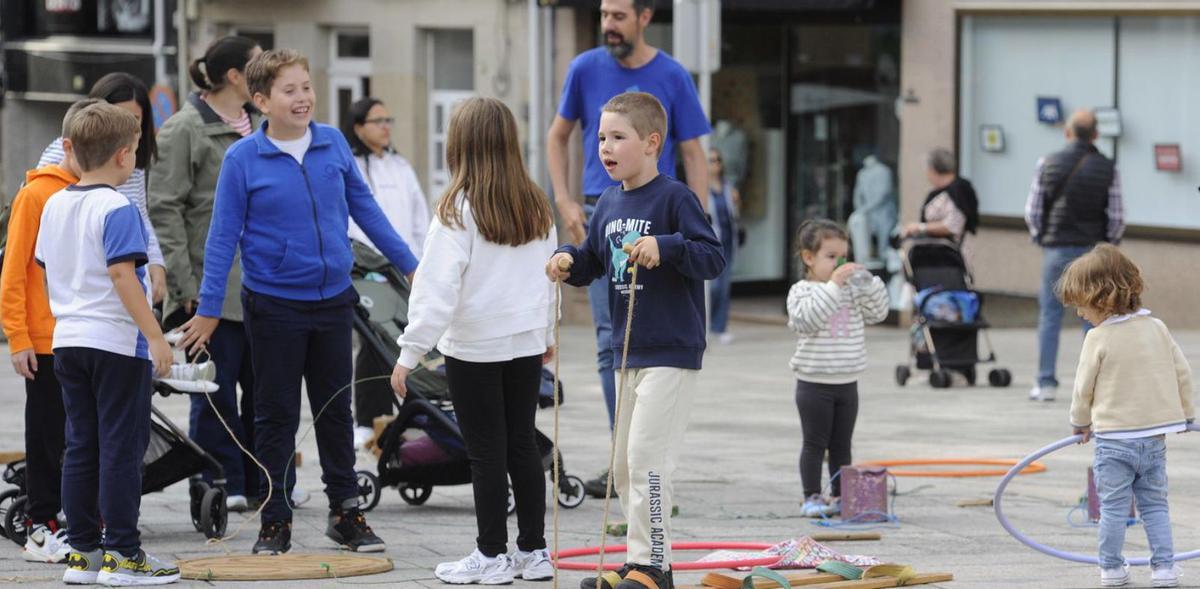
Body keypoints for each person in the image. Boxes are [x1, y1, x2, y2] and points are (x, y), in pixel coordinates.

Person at [177, 49, 418, 555]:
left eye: (306, 86)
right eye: (289, 90)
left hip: (333, 301)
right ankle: (275, 518)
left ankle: (346, 513)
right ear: (261, 100)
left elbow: (366, 212)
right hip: (273, 305)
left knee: (335, 412)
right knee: (276, 415)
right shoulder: (243, 158)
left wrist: (411, 267)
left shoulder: (331, 144)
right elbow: (222, 238)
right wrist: (209, 309)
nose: (303, 98)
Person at [546, 92, 724, 589]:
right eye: (600, 137)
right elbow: (594, 261)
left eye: (617, 137)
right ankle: (637, 559)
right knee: (625, 464)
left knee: (649, 459)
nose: (605, 146)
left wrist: (664, 247)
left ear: (652, 143)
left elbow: (712, 257)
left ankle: (656, 569)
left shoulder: (675, 197)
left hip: (671, 350)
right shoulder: (607, 202)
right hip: (629, 352)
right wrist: (567, 260)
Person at [546, 0, 712, 496]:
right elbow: (559, 137)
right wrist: (564, 203)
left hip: (661, 212)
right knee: (607, 337)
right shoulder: (584, 67)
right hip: (603, 209)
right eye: (603, 14)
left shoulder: (673, 74)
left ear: (644, 17)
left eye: (618, 15)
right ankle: (624, 445)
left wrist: (688, 226)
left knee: (649, 327)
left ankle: (641, 454)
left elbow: (692, 152)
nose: (608, 25)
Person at [390, 97, 557, 585]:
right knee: (522, 446)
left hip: (475, 346)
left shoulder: (456, 210)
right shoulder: (535, 204)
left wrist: (409, 352)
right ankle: (534, 552)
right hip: (525, 341)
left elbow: (434, 291)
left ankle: (491, 555)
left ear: (460, 145)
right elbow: (549, 277)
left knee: (486, 452)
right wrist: (545, 333)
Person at [36, 102, 178, 585]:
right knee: (120, 448)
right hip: (115, 342)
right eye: (136, 151)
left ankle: (82, 554)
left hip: (68, 340)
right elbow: (122, 274)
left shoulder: (56, 202)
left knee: (81, 445)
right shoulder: (118, 207)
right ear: (123, 156)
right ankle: (123, 554)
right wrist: (156, 336)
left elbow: (47, 268)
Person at [148, 35, 287, 514]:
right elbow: (164, 210)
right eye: (257, 67)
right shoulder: (184, 129)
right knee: (215, 392)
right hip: (212, 291)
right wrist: (185, 290)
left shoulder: (264, 126)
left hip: (266, 286)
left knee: (267, 394)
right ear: (235, 77)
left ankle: (263, 480)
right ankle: (218, 478)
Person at [0, 98, 100, 564]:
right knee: (46, 438)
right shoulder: (36, 195)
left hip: (82, 336)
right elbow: (13, 271)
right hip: (43, 343)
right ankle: (40, 526)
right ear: (67, 146)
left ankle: (74, 518)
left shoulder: (94, 194)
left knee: (80, 437)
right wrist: (18, 337)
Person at [1060, 244, 1193, 589]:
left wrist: (1079, 422)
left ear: (1101, 297)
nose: (1079, 314)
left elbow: (1082, 388)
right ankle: (1164, 570)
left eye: (1081, 305)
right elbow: (1182, 372)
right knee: (1155, 506)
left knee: (1114, 509)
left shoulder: (1097, 338)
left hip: (1113, 441)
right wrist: (1187, 415)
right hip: (1153, 440)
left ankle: (1112, 569)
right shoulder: (1157, 328)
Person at [342, 96, 431, 447]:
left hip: (405, 270)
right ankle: (366, 419)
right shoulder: (351, 165)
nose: (385, 126)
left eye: (388, 119)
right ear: (359, 126)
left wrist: (421, 264)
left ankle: (411, 414)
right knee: (373, 339)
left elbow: (419, 218)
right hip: (367, 269)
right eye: (377, 120)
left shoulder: (400, 166)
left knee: (407, 340)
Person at [786, 220, 889, 518]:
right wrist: (833, 286)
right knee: (815, 443)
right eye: (831, 257)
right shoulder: (801, 291)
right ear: (808, 257)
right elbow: (809, 319)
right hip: (813, 382)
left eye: (843, 256)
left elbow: (879, 312)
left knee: (842, 445)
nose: (839, 264)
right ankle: (811, 496)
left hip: (848, 379)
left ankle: (842, 495)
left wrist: (869, 283)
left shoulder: (851, 291)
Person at [37, 72, 167, 305]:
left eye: (135, 119)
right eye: (117, 116)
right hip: (84, 290)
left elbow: (140, 213)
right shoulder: (64, 154)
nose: (127, 126)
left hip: (124, 286)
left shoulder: (132, 157)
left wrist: (156, 262)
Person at [1024, 109, 1124, 403]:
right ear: (1095, 135)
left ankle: (1045, 383)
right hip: (1092, 250)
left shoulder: (1047, 162)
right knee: (1093, 317)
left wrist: (1041, 237)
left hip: (1056, 248)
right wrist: (1109, 245)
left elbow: (1033, 210)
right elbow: (1117, 215)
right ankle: (1092, 387)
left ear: (1067, 133)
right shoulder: (1108, 167)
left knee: (1049, 315)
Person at [899, 148, 978, 267]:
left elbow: (953, 226)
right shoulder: (944, 191)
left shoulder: (957, 190)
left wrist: (920, 227)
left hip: (950, 258)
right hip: (936, 255)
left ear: (933, 170)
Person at [707, 147, 740, 344]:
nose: (715, 164)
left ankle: (719, 327)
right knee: (713, 286)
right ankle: (707, 323)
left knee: (725, 285)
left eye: (718, 160)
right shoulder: (700, 187)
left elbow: (734, 214)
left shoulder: (728, 186)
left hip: (728, 239)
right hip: (712, 241)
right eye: (711, 160)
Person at [847, 154, 897, 267]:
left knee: (884, 242)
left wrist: (865, 208)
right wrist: (860, 209)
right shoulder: (862, 173)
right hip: (867, 212)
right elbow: (858, 193)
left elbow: (883, 193)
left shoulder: (884, 171)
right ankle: (864, 261)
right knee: (860, 227)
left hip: (883, 212)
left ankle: (885, 265)